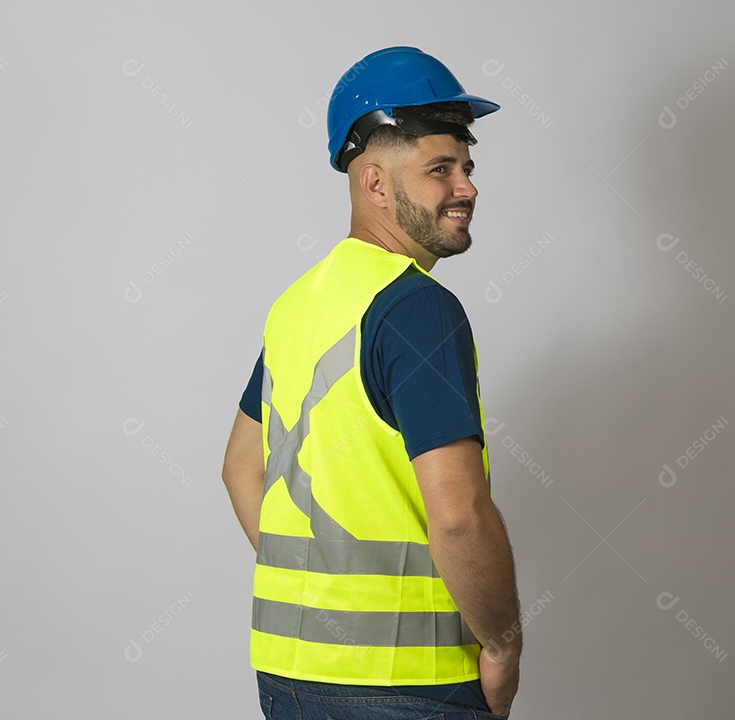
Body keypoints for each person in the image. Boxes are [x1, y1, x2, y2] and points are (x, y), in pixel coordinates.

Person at [221, 46, 521, 719]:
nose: (466, 187)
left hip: (288, 675)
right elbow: (459, 515)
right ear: (376, 185)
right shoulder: (417, 309)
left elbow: (241, 467)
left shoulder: (297, 305)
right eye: (440, 169)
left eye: (466, 168)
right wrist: (502, 646)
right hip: (408, 686)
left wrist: (323, 595)